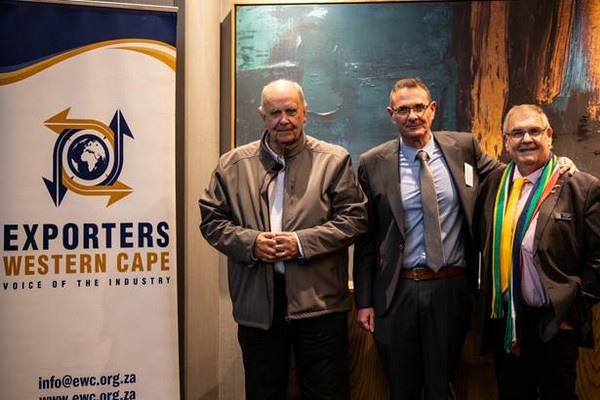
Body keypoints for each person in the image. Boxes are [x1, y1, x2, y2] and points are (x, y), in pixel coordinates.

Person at [199, 79, 368, 400]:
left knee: (327, 393)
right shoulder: (232, 165)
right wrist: (251, 243)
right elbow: (212, 221)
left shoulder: (333, 160)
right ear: (262, 115)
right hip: (258, 307)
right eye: (275, 113)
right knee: (264, 393)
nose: (284, 120)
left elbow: (355, 219)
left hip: (319, 304)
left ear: (305, 112)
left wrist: (301, 243)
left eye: (291, 111)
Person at [352, 77, 502, 399]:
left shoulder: (464, 148)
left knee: (442, 386)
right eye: (403, 110)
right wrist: (363, 301)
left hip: (450, 288)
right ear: (391, 114)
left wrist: (554, 165)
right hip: (397, 291)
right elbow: (366, 237)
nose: (413, 116)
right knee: (401, 387)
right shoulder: (372, 162)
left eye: (419, 107)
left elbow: (508, 174)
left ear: (432, 109)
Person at [474, 104, 600, 399]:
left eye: (534, 131)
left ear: (549, 135)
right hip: (506, 321)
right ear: (506, 140)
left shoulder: (580, 187)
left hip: (554, 322)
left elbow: (597, 259)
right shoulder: (493, 185)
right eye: (517, 133)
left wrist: (571, 310)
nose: (526, 139)